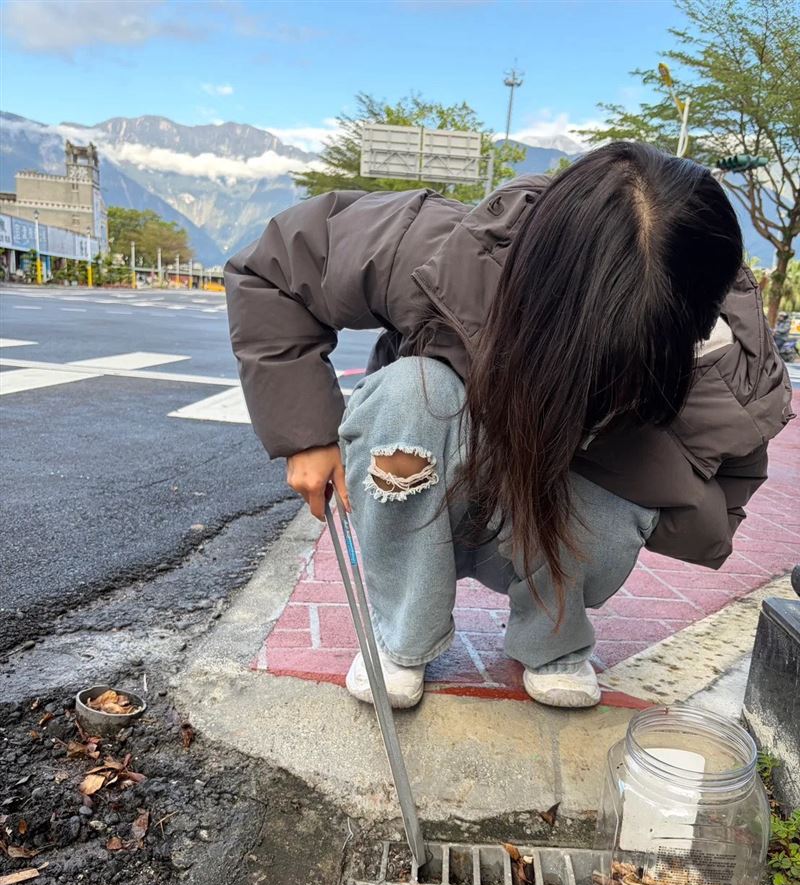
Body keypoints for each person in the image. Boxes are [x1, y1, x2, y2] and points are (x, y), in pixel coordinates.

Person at [225, 141, 793, 710]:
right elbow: (269, 271)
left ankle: (554, 640)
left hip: (556, 516)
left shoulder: (727, 366)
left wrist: (624, 476)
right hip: (433, 485)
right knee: (408, 395)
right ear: (536, 267)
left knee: (637, 469)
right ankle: (402, 632)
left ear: (694, 321)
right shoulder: (440, 248)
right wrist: (308, 435)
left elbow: (719, 506)